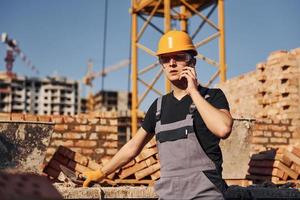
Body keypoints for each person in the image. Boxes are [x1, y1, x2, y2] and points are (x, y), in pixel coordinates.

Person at [82, 30, 233, 200]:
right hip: (169, 195)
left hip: (206, 194)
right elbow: (132, 147)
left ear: (193, 62)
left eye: (179, 56)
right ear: (161, 64)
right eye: (165, 59)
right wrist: (100, 173)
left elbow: (223, 129)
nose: (172, 63)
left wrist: (193, 91)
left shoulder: (212, 97)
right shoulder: (158, 106)